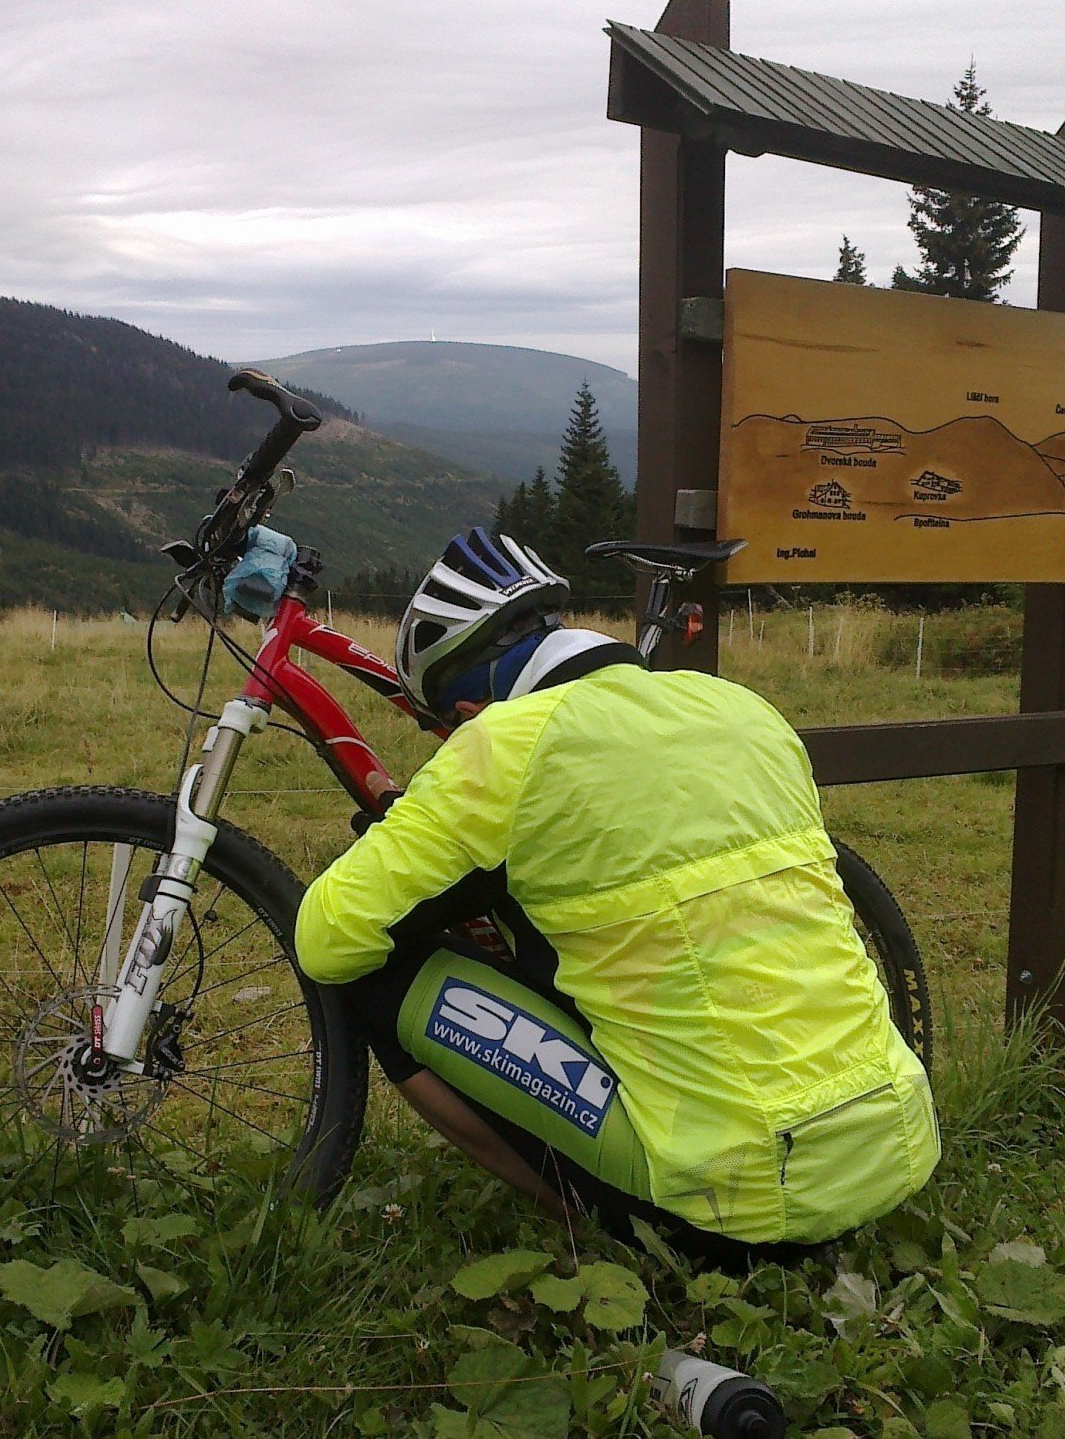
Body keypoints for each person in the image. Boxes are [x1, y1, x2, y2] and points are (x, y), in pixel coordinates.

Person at [294, 529, 938, 1263]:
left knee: (366, 970)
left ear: (471, 709)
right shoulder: (744, 709)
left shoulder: (502, 742)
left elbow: (327, 935)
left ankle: (603, 1234)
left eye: (444, 731)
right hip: (895, 1148)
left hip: (734, 1201)